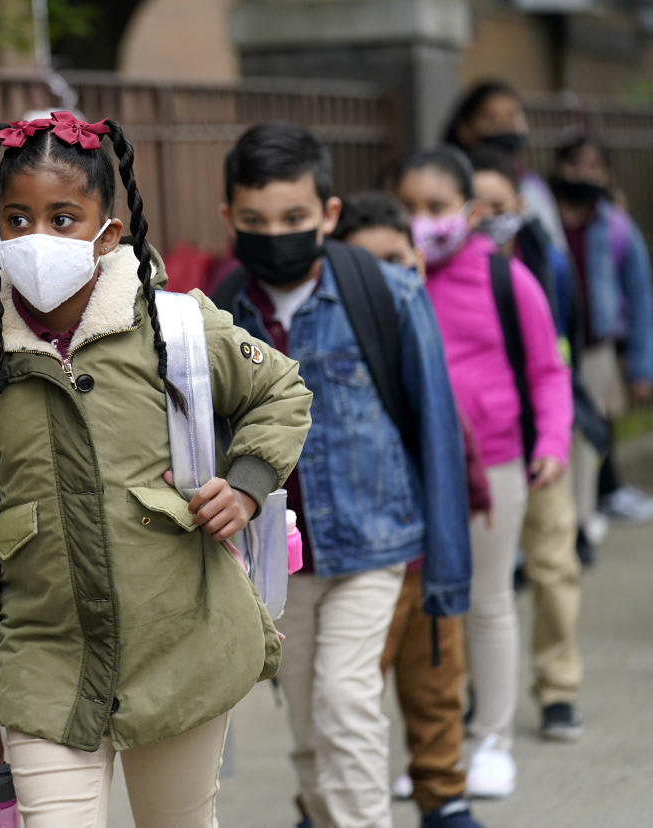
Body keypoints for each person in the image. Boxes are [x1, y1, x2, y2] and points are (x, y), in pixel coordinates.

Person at [0, 112, 313, 828]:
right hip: (44, 670)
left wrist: (248, 485)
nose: (40, 237)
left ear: (109, 230)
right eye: (19, 218)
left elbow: (280, 392)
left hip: (181, 645)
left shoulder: (180, 329)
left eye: (64, 218)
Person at [211, 124, 471, 828]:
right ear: (229, 219)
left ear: (329, 214)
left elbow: (436, 432)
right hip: (278, 558)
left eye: (295, 219)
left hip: (375, 544)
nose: (277, 235)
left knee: (345, 703)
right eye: (257, 221)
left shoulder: (388, 295)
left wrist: (448, 574)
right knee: (306, 725)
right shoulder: (217, 314)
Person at [396, 148, 573, 799]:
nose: (423, 222)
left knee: (488, 600)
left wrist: (552, 441)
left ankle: (491, 738)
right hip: (411, 466)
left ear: (471, 213)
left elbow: (549, 369)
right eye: (409, 208)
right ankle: (432, 750)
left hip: (494, 465)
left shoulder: (507, 279)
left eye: (437, 208)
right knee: (421, 617)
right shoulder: (391, 278)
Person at [332, 191, 488, 828]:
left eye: (401, 260)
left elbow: (450, 432)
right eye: (372, 266)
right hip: (362, 559)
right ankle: (324, 800)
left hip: (425, 555)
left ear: (419, 262)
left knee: (436, 685)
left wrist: (473, 492)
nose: (392, 278)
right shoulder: (341, 347)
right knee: (344, 697)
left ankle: (443, 792)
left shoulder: (422, 325)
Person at [469, 148, 587, 739]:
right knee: (479, 582)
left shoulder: (543, 264)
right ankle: (480, 691)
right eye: (476, 205)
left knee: (551, 565)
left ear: (518, 208)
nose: (487, 216)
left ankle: (558, 686)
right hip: (480, 456)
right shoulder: (440, 270)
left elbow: (556, 362)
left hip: (539, 445)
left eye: (498, 205)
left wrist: (554, 438)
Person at [551, 134, 653, 533]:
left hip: (595, 349)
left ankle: (580, 522)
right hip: (548, 347)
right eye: (575, 164)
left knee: (587, 437)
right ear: (558, 167)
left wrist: (642, 367)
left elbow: (640, 294)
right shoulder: (541, 221)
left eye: (594, 166)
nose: (584, 173)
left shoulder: (615, 226)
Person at [443, 78, 566, 254]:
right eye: (490, 118)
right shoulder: (448, 182)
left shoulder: (533, 187)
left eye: (512, 116)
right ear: (464, 128)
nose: (503, 126)